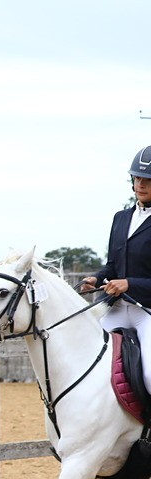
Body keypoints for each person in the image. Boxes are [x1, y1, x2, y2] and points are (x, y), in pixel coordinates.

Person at [81, 145, 151, 389]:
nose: (140, 184)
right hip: (116, 308)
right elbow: (113, 265)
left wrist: (129, 284)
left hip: (146, 312)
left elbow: (127, 279)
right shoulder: (120, 218)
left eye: (148, 180)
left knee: (150, 377)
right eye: (137, 178)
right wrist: (96, 278)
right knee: (83, 356)